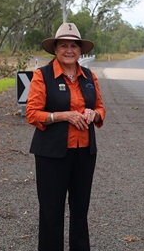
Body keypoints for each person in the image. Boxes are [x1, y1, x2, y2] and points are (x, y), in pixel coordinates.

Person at [26, 23, 106, 251]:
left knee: (80, 211)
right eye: (64, 45)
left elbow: (101, 108)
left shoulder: (89, 76)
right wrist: (64, 116)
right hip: (52, 154)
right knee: (52, 212)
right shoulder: (43, 75)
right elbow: (32, 114)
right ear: (56, 49)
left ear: (81, 50)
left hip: (85, 153)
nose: (69, 50)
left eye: (74, 45)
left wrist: (94, 113)